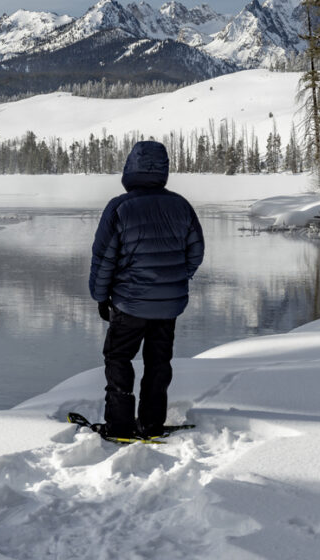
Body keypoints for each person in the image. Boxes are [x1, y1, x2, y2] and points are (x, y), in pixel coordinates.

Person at [88, 140, 204, 439]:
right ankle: (151, 424)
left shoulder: (120, 207)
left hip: (129, 303)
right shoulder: (181, 205)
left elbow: (104, 258)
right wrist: (176, 278)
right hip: (168, 306)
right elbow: (196, 252)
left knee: (118, 359)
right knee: (158, 363)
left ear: (129, 168)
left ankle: (120, 425)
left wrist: (101, 297)